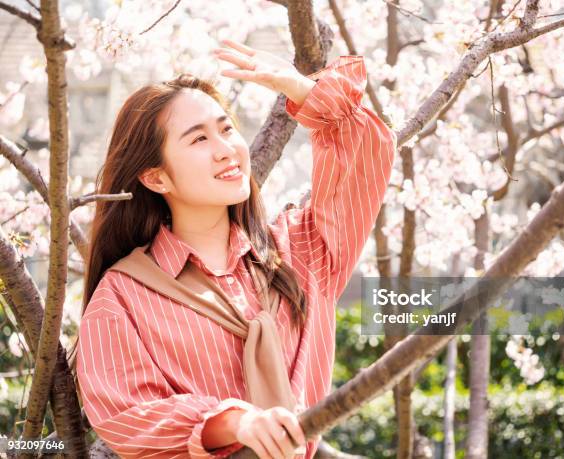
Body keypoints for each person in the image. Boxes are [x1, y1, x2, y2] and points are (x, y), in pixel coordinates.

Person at [74, 39, 396, 459]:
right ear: (156, 178)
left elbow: (367, 152)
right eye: (199, 139)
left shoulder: (301, 250)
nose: (226, 149)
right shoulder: (122, 297)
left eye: (227, 129)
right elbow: (128, 415)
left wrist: (299, 88)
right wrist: (236, 422)